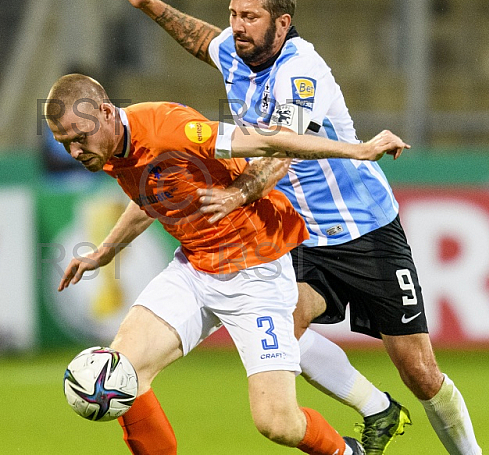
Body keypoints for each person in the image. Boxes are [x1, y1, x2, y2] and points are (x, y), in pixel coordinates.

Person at [104, 0, 482, 455]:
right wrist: (149, 4)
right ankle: (376, 408)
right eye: (234, 15)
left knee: (419, 370)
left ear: (282, 23)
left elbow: (280, 150)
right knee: (282, 336)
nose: (237, 27)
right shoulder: (237, 51)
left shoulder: (302, 73)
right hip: (299, 232)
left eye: (250, 18)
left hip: (365, 230)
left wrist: (239, 193)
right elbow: (201, 40)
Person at [47, 73, 409, 454]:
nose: (74, 152)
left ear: (105, 112)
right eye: (64, 143)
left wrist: (357, 150)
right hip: (194, 270)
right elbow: (148, 195)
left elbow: (270, 144)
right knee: (120, 376)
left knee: (277, 423)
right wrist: (105, 251)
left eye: (79, 138)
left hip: (256, 273)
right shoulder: (108, 149)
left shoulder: (170, 128)